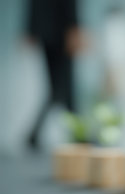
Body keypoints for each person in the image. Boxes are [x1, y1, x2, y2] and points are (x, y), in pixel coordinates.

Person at [25, 0, 82, 150]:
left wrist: (31, 29)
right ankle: (34, 134)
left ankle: (78, 133)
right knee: (60, 87)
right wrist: (74, 27)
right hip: (62, 33)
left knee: (62, 88)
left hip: (47, 32)